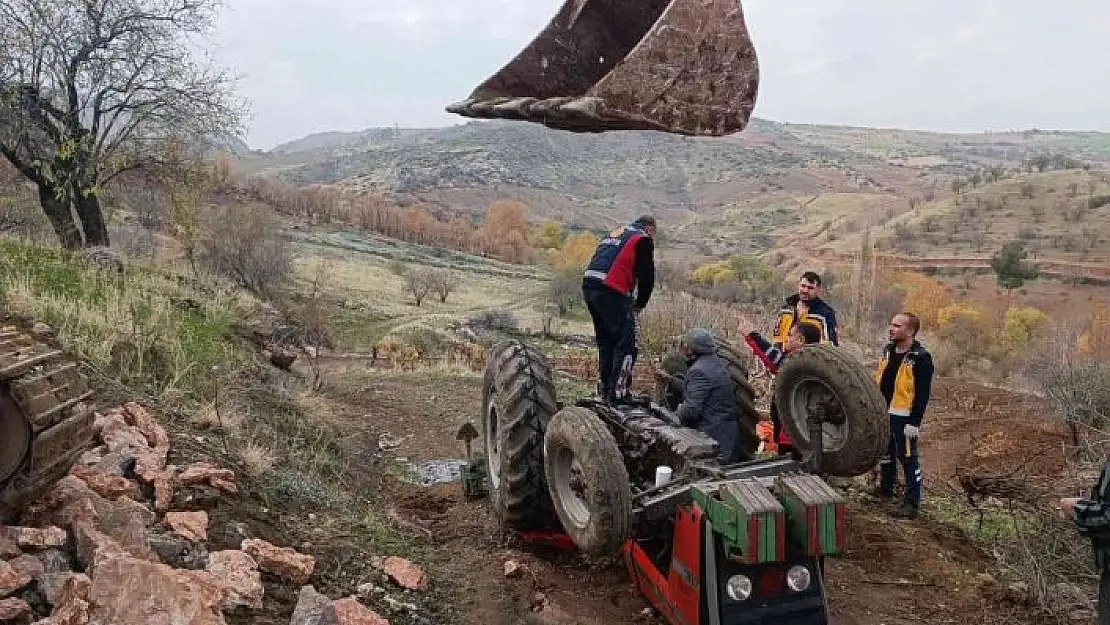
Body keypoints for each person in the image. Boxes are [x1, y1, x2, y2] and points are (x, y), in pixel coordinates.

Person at [582, 215, 656, 404]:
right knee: (627, 344)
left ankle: (607, 389)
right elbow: (646, 277)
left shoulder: (617, 233)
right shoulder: (643, 239)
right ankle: (619, 395)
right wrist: (639, 304)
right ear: (649, 228)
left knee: (606, 341)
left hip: (590, 286)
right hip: (610, 290)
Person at [872, 312, 934, 519]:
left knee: (908, 459)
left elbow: (923, 393)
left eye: (897, 326)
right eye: (891, 324)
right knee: (886, 455)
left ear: (910, 331)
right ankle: (886, 490)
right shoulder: (888, 351)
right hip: (884, 413)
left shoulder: (921, 358)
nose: (891, 328)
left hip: (904, 418)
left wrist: (914, 422)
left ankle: (912, 503)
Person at [737, 316, 823, 458]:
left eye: (790, 335)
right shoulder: (814, 363)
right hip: (802, 434)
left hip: (793, 436)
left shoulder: (799, 365)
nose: (786, 339)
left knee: (791, 468)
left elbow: (772, 357)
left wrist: (752, 335)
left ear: (800, 340)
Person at [660, 328, 745, 464]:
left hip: (712, 444)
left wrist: (672, 416)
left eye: (684, 346)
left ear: (691, 350)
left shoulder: (698, 371)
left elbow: (690, 411)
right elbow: (703, 392)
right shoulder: (717, 364)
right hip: (728, 438)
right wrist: (671, 380)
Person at [771, 271, 839, 350]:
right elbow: (777, 337)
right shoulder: (786, 309)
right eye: (803, 286)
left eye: (810, 288)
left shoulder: (825, 314)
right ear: (798, 285)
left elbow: (830, 346)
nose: (805, 290)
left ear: (818, 290)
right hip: (782, 358)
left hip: (808, 360)